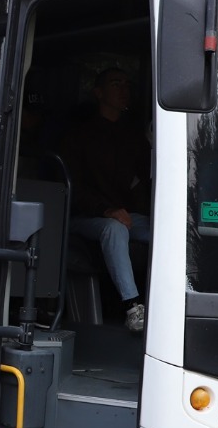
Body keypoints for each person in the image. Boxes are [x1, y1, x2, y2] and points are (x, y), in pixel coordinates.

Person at [61, 67, 152, 332]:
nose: (124, 90)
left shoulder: (134, 136)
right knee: (114, 229)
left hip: (127, 215)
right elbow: (72, 189)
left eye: (127, 84)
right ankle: (133, 307)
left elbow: (147, 178)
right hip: (86, 218)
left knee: (167, 230)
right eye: (116, 84)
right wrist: (106, 210)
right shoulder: (79, 136)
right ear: (99, 93)